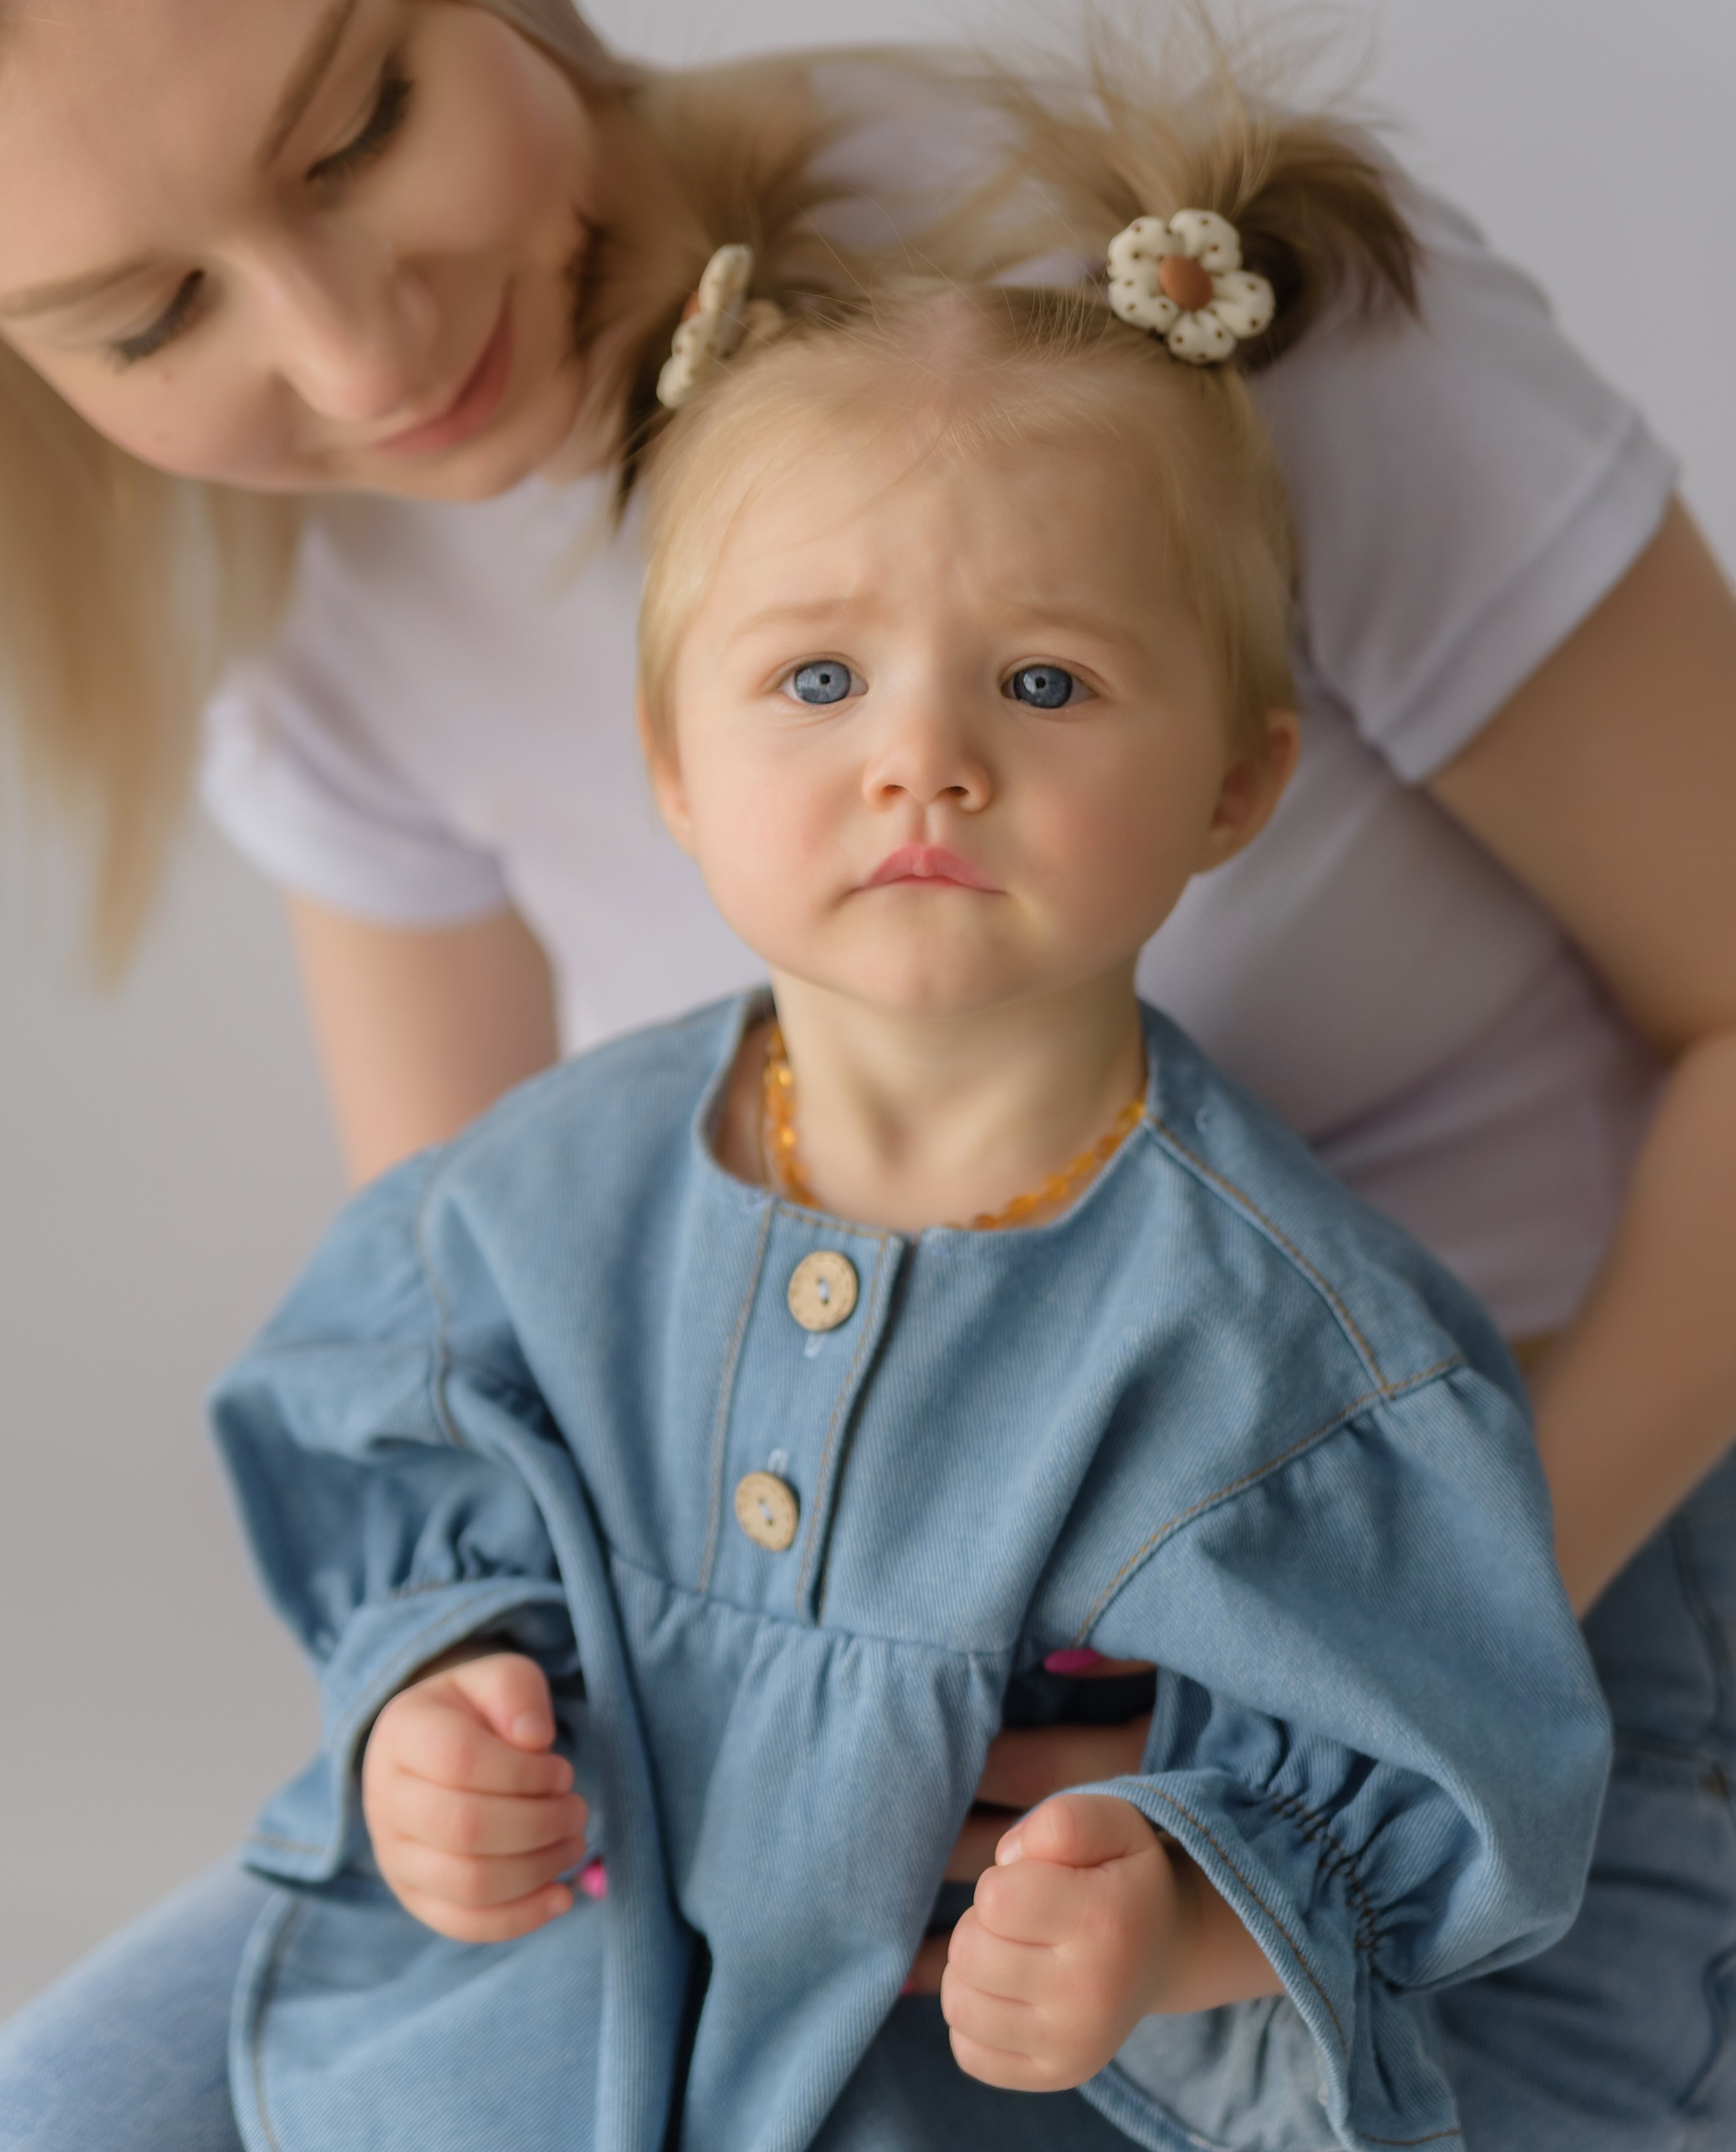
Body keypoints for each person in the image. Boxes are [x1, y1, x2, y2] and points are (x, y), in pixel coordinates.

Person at [0, 0, 1731, 2147]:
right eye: (152, 317)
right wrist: (450, 1704)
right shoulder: (329, 619)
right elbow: (488, 1373)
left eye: (356, 127)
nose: (360, 352)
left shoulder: (1161, 330)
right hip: (805, 1696)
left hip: (1512, 1619)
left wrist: (1346, 1706)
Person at [208, 167, 1611, 2151]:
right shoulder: (537, 1200)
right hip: (562, 1990)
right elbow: (413, 1481)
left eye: (1043, 682)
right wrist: (433, 1714)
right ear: (675, 765)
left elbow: (1428, 1777)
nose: (923, 759)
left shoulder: (1290, 1347)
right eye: (819, 680)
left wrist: (1170, 1916)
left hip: (987, 2083)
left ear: (1236, 781)